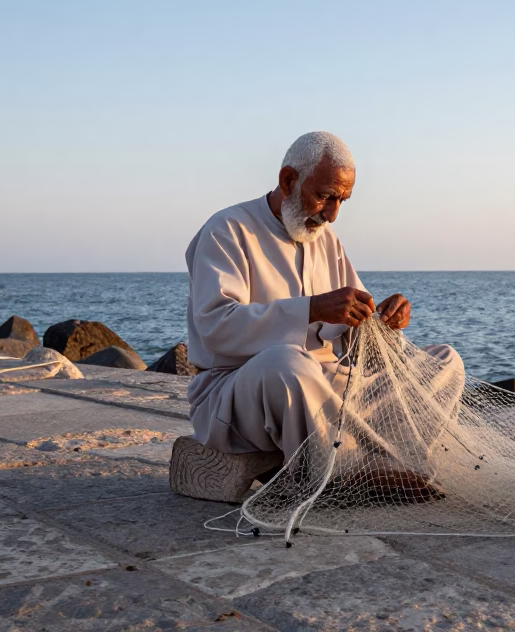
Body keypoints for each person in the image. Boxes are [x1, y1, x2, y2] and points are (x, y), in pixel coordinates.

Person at [170, 131, 462, 503]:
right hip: (239, 394)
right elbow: (216, 328)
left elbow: (355, 334)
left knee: (444, 361)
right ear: (288, 180)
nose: (332, 213)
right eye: (325, 196)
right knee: (286, 363)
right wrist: (312, 309)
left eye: (342, 200)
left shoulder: (327, 240)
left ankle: (384, 463)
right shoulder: (228, 230)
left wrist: (383, 325)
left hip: (333, 390)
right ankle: (342, 477)